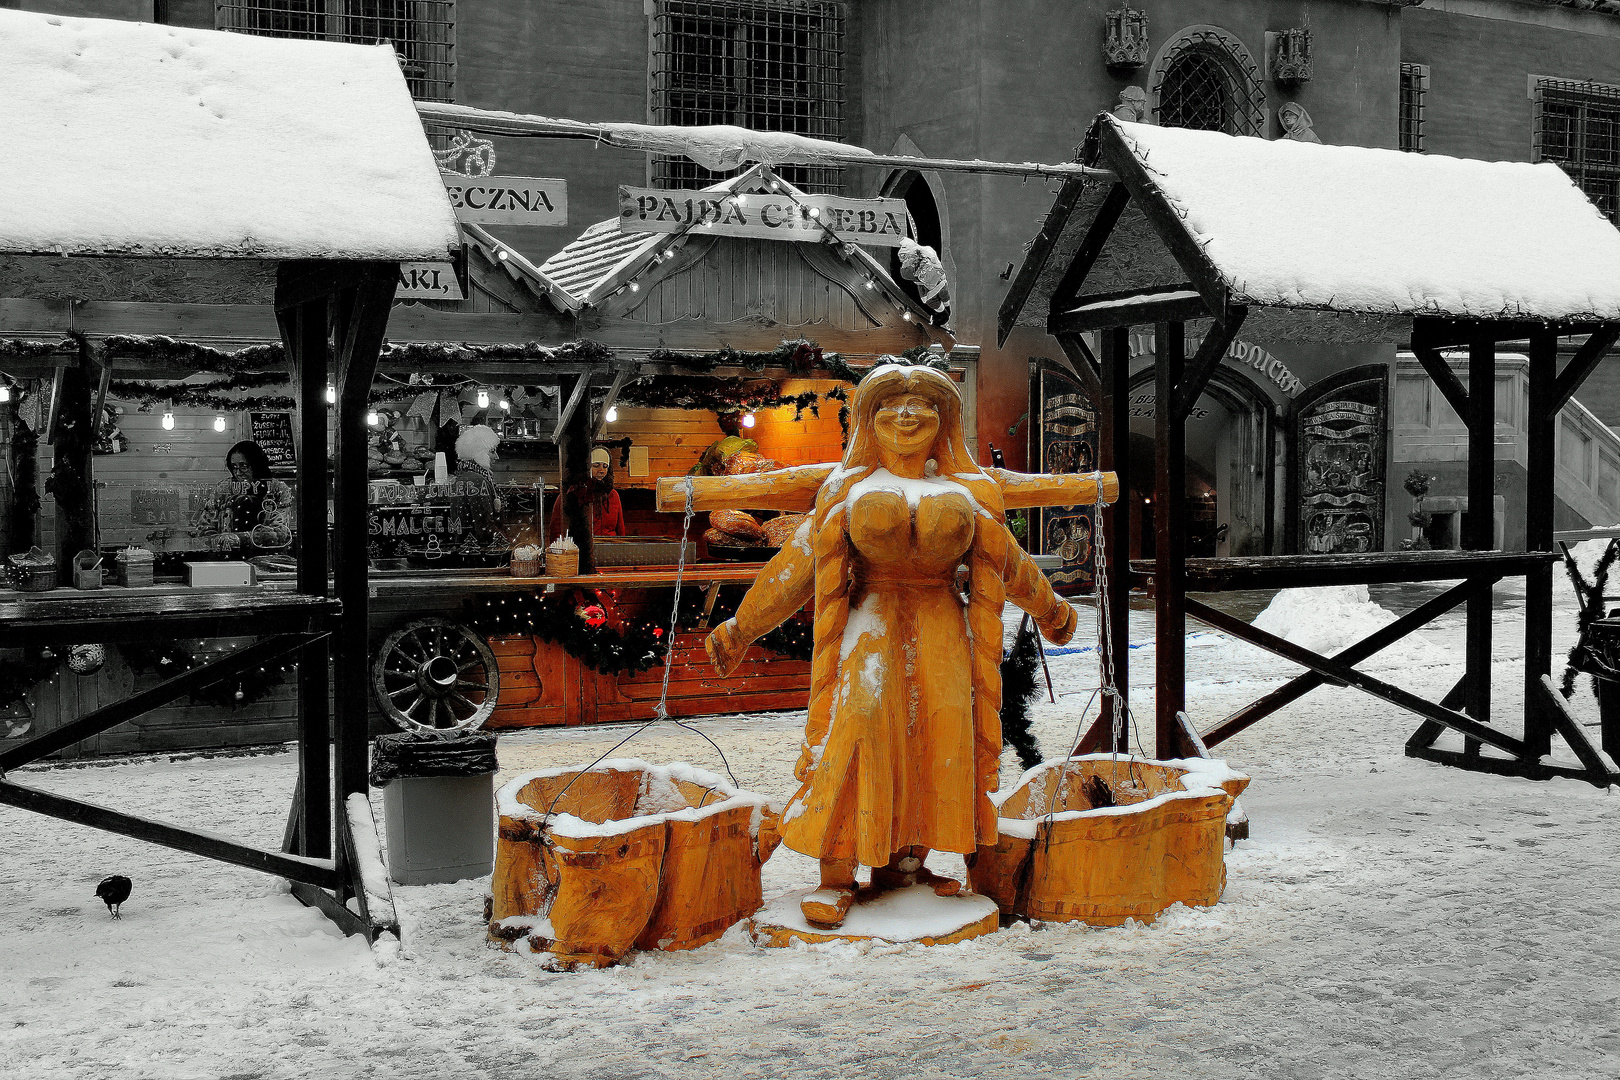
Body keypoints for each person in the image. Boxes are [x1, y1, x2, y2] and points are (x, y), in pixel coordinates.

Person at [703, 363, 1077, 930]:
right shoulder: (849, 488)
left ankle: (907, 865)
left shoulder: (966, 491)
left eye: (922, 404)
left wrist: (1053, 611)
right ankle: (838, 871)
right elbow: (797, 565)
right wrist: (740, 627)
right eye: (889, 406)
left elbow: (1010, 564)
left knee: (938, 736)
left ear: (944, 419)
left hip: (942, 628)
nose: (906, 415)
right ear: (868, 421)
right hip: (870, 627)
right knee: (859, 731)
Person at [197, 440, 294, 552]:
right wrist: (217, 541)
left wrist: (242, 538)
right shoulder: (223, 489)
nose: (238, 472)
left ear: (256, 464)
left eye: (243, 466)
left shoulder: (277, 489)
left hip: (267, 555)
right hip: (227, 557)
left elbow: (280, 532)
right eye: (234, 467)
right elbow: (204, 528)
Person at [549, 446, 625, 539]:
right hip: (581, 549)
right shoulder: (572, 493)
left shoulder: (613, 495)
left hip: (608, 548)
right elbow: (556, 529)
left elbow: (620, 530)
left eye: (605, 466)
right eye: (596, 465)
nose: (601, 471)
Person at [452, 424, 503, 543]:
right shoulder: (477, 482)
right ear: (480, 453)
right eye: (492, 451)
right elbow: (484, 523)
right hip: (479, 550)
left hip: (468, 547)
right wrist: (502, 543)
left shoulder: (465, 477)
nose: (496, 456)